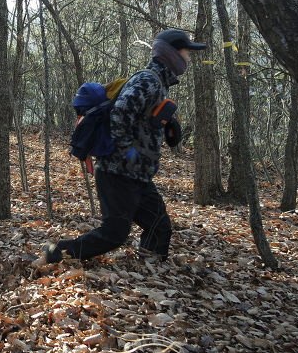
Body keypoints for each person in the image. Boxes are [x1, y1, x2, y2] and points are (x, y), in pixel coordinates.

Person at [32, 28, 208, 267]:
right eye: (186, 52)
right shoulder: (148, 80)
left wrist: (165, 124)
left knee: (159, 225)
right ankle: (55, 253)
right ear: (172, 54)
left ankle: (150, 270)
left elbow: (137, 118)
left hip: (137, 174)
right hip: (118, 172)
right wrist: (130, 152)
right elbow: (121, 113)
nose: (188, 58)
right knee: (114, 233)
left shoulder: (158, 83)